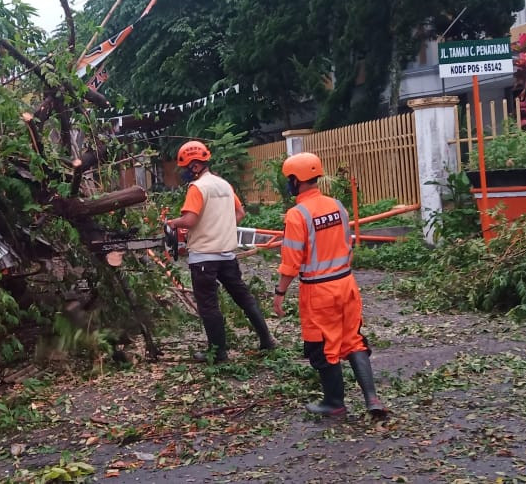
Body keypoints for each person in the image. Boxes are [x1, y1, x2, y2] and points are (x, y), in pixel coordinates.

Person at [271, 152, 387, 418]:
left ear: (295, 181)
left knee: (323, 345)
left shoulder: (297, 214)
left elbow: (291, 261)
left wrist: (279, 293)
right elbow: (348, 243)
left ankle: (334, 402)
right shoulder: (337, 206)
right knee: (353, 339)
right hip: (346, 284)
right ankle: (371, 398)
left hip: (318, 290)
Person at [165, 140, 277, 363]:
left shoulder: (198, 188)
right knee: (243, 297)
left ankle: (218, 353)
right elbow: (239, 213)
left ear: (195, 166)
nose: (184, 173)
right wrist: (220, 226)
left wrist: (173, 223)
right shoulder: (224, 185)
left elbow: (190, 219)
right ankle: (266, 339)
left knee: (208, 304)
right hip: (227, 254)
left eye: (186, 167)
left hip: (204, 256)